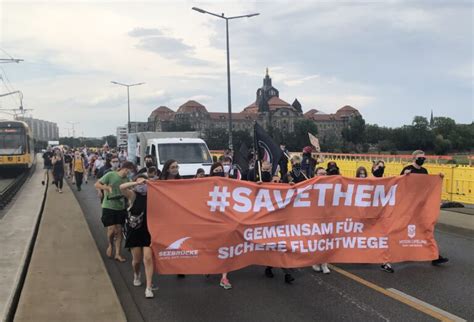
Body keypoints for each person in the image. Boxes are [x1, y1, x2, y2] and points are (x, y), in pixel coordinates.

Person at [401, 150, 449, 266]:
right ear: (414, 158)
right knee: (404, 230)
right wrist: (404, 176)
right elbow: (400, 185)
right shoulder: (408, 169)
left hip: (421, 207)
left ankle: (435, 256)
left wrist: (438, 178)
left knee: (426, 230)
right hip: (409, 207)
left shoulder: (424, 171)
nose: (422, 159)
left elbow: (427, 186)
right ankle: (401, 252)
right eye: (420, 157)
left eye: (423, 158)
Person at [255, 161, 296, 284]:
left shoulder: (284, 194)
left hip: (281, 226)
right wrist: (257, 187)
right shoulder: (264, 194)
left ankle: (286, 273)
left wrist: (292, 186)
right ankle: (272, 268)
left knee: (281, 249)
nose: (277, 184)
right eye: (274, 182)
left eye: (279, 182)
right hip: (268, 226)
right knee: (273, 250)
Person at [120, 174, 155, 298]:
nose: (143, 185)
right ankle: (136, 274)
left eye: (144, 183)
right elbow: (122, 187)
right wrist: (136, 183)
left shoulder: (153, 195)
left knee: (148, 258)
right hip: (134, 231)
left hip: (148, 231)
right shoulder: (133, 195)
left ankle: (149, 287)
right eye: (141, 183)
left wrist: (149, 182)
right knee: (137, 261)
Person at [94, 161, 136, 263]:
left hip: (120, 207)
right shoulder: (111, 175)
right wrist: (106, 188)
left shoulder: (127, 179)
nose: (130, 173)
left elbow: (131, 191)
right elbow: (97, 184)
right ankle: (110, 244)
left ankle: (118, 253)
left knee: (119, 230)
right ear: (125, 169)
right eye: (129, 171)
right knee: (112, 229)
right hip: (108, 206)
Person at [208, 163, 232, 289]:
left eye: (220, 170)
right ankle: (209, 266)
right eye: (216, 171)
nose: (219, 172)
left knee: (225, 248)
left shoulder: (230, 184)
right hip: (210, 220)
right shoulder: (205, 184)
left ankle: (224, 277)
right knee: (212, 246)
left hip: (225, 220)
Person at [312, 166, 331, 274]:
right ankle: (315, 262)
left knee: (326, 241)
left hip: (328, 217)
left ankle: (324, 264)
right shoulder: (310, 185)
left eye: (324, 173)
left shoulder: (332, 186)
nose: (323, 175)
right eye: (320, 173)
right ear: (315, 174)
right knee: (316, 241)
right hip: (315, 217)